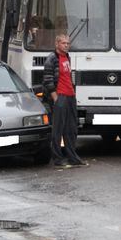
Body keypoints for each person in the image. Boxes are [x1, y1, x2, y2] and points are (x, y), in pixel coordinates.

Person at [42, 34, 87, 169]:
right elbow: (48, 80)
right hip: (60, 96)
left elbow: (67, 77)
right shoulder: (52, 59)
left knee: (71, 129)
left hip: (70, 96)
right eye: (63, 43)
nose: (67, 45)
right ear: (57, 44)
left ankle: (73, 157)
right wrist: (56, 98)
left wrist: (72, 93)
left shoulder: (67, 57)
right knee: (58, 129)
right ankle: (57, 158)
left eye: (68, 43)